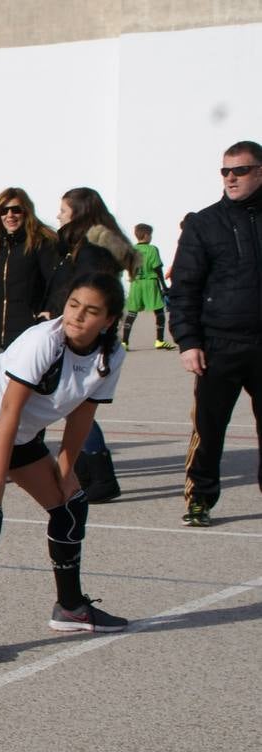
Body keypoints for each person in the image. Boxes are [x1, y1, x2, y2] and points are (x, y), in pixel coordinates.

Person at [0, 271, 130, 662]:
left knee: (72, 502)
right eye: (73, 305)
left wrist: (66, 467)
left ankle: (71, 607)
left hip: (23, 431)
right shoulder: (45, 340)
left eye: (91, 311)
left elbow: (82, 415)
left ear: (108, 321)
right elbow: (9, 408)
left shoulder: (110, 355)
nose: (77, 316)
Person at [169, 139, 262, 527]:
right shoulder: (204, 223)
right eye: (225, 171)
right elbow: (185, 287)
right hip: (218, 345)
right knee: (208, 430)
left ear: (259, 172)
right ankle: (199, 499)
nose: (230, 178)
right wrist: (188, 342)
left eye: (239, 170)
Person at [42, 187, 137, 502]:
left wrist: (60, 314)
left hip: (83, 335)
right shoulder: (95, 245)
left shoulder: (91, 249)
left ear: (78, 212)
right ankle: (87, 471)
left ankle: (100, 475)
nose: (59, 215)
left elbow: (84, 294)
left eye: (64, 210)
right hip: (92, 333)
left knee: (76, 403)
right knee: (76, 403)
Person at [0, 188, 57, 362]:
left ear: (26, 212)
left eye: (16, 209)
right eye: (4, 210)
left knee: (23, 389)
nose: (10, 215)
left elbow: (56, 285)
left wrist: (45, 317)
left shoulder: (42, 243)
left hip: (28, 338)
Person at [123, 223, 172, 350]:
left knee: (132, 312)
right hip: (150, 282)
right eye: (150, 235)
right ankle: (159, 340)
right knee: (159, 311)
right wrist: (164, 285)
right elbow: (157, 268)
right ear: (146, 235)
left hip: (136, 283)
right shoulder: (152, 249)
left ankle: (125, 342)